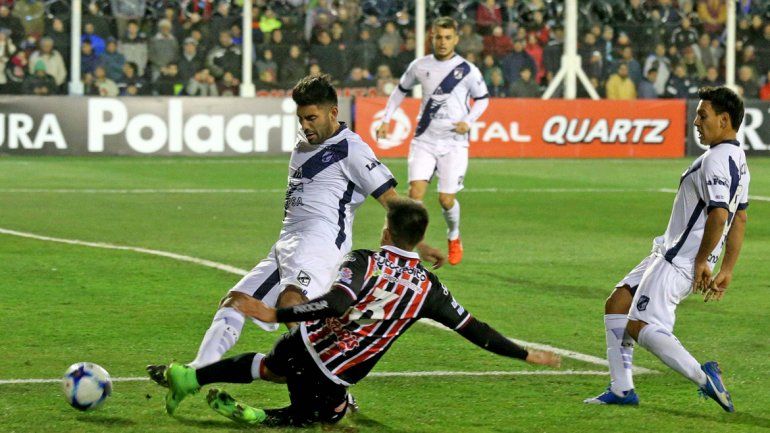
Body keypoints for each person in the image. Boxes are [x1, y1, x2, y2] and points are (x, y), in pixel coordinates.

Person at [148, 75, 445, 394]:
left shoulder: (352, 149)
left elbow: (392, 201)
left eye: (311, 117)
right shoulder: (304, 144)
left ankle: (327, 386)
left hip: (320, 245)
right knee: (235, 302)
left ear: (333, 113)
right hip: (287, 243)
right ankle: (194, 374)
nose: (305, 125)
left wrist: (419, 242)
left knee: (292, 300)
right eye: (301, 118)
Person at [160, 199, 562, 426]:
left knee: (269, 366)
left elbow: (336, 302)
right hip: (339, 371)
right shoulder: (430, 289)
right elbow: (475, 329)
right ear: (420, 240)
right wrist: (525, 354)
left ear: (387, 232)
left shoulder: (364, 260)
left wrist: (276, 315)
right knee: (328, 415)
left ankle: (191, 376)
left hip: (305, 343)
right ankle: (264, 416)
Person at [584, 86, 750, 412]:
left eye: (703, 116)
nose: (696, 122)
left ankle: (704, 377)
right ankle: (622, 389)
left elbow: (720, 215)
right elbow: (740, 218)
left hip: (680, 260)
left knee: (640, 326)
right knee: (617, 303)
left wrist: (703, 261)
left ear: (725, 119)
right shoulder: (738, 159)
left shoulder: (716, 160)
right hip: (671, 253)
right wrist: (726, 268)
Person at [376, 17, 490, 266]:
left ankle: (454, 235)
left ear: (456, 39)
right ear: (431, 37)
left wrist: (469, 120)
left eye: (448, 37)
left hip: (454, 142)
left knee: (446, 200)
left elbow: (483, 99)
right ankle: (407, 246)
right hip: (425, 139)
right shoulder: (420, 65)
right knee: (415, 194)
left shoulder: (468, 70)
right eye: (438, 37)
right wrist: (386, 119)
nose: (442, 42)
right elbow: (399, 91)